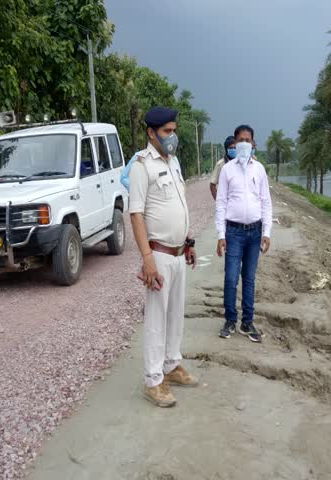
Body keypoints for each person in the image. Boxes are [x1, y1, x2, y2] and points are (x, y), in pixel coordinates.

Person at [128, 106, 198, 407]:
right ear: (151, 133)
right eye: (167, 131)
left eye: (174, 130)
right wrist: (147, 259)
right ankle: (153, 381)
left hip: (179, 253)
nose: (173, 136)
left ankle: (171, 364)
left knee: (175, 315)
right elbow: (136, 214)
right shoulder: (142, 166)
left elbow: (179, 205)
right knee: (157, 318)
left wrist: (189, 241)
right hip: (158, 254)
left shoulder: (174, 163)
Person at [215, 124, 273, 343]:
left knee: (249, 279)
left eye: (247, 140)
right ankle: (230, 319)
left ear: (253, 144)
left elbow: (266, 202)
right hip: (234, 232)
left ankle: (247, 322)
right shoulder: (227, 170)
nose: (243, 144)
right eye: (240, 140)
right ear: (234, 142)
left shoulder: (259, 170)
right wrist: (221, 235)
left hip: (255, 232)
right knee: (231, 278)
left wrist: (267, 232)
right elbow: (220, 203)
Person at [209, 136, 236, 200]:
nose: (234, 150)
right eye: (231, 148)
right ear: (226, 149)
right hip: (226, 202)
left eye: (235, 148)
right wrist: (218, 201)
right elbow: (212, 185)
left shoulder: (241, 163)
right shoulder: (220, 164)